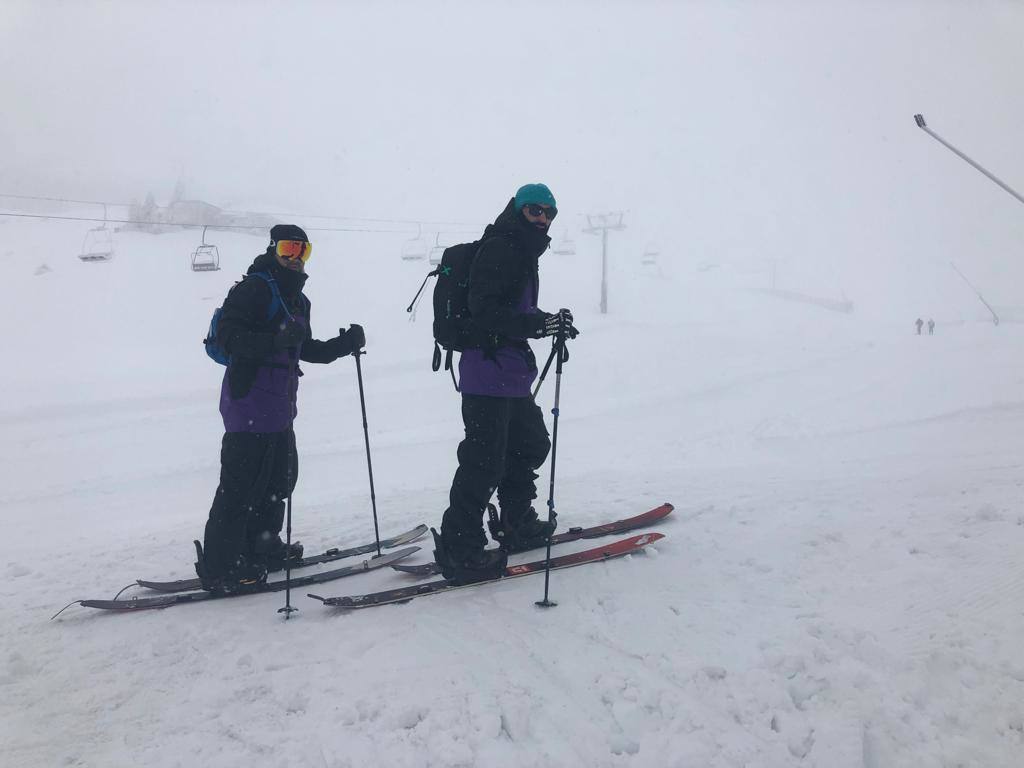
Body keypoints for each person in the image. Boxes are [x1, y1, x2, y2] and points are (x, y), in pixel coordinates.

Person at [195, 224, 365, 593]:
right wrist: (273, 340)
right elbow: (228, 337)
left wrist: (343, 344)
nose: (294, 257)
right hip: (248, 403)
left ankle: (263, 546)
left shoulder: (298, 299)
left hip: (280, 408)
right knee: (239, 487)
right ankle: (221, 566)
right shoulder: (254, 288)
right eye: (288, 248)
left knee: (279, 482)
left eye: (302, 251)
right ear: (273, 249)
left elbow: (304, 349)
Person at [433, 183, 577, 582]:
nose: (543, 218)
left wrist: (548, 322)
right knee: (483, 462)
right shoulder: (502, 247)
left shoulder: (522, 251)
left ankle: (516, 520)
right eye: (534, 210)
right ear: (516, 210)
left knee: (530, 444)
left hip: (509, 373)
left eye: (550, 213)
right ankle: (459, 548)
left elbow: (513, 311)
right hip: (486, 372)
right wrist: (537, 324)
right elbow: (484, 311)